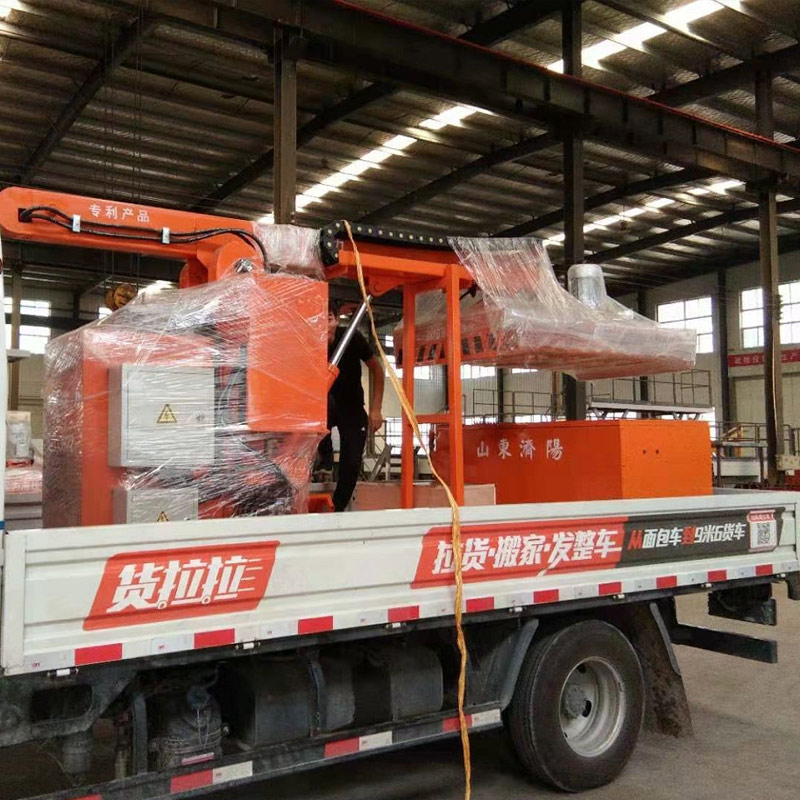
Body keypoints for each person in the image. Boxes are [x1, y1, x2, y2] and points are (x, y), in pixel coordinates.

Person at [318, 301, 385, 511]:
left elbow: (377, 370)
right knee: (318, 415)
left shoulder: (351, 338)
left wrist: (376, 409)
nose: (324, 325)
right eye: (319, 320)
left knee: (352, 461)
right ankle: (325, 460)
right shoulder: (310, 342)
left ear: (336, 320)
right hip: (323, 405)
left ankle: (337, 508)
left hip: (351, 405)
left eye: (329, 319)